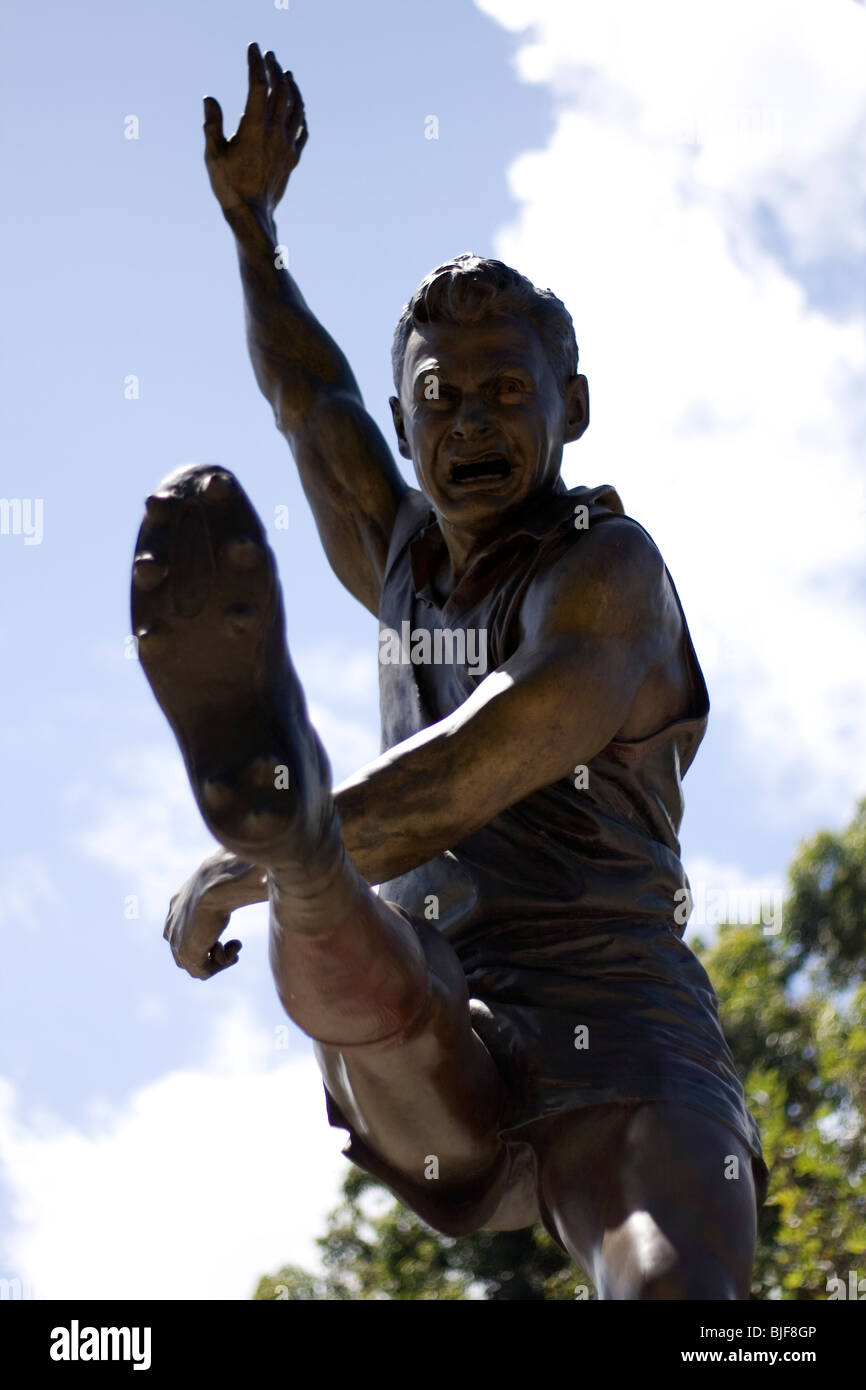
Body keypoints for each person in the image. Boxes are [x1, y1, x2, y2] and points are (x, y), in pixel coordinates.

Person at [131, 43, 768, 1299]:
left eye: (501, 391)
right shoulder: (404, 549)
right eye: (438, 400)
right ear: (408, 421)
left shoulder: (607, 574)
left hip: (622, 1032)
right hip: (442, 1039)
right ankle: (306, 859)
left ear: (568, 406)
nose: (469, 421)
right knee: (379, 972)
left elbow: (478, 764)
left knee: (674, 1296)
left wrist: (239, 864)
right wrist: (253, 235)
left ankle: (299, 842)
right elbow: (306, 394)